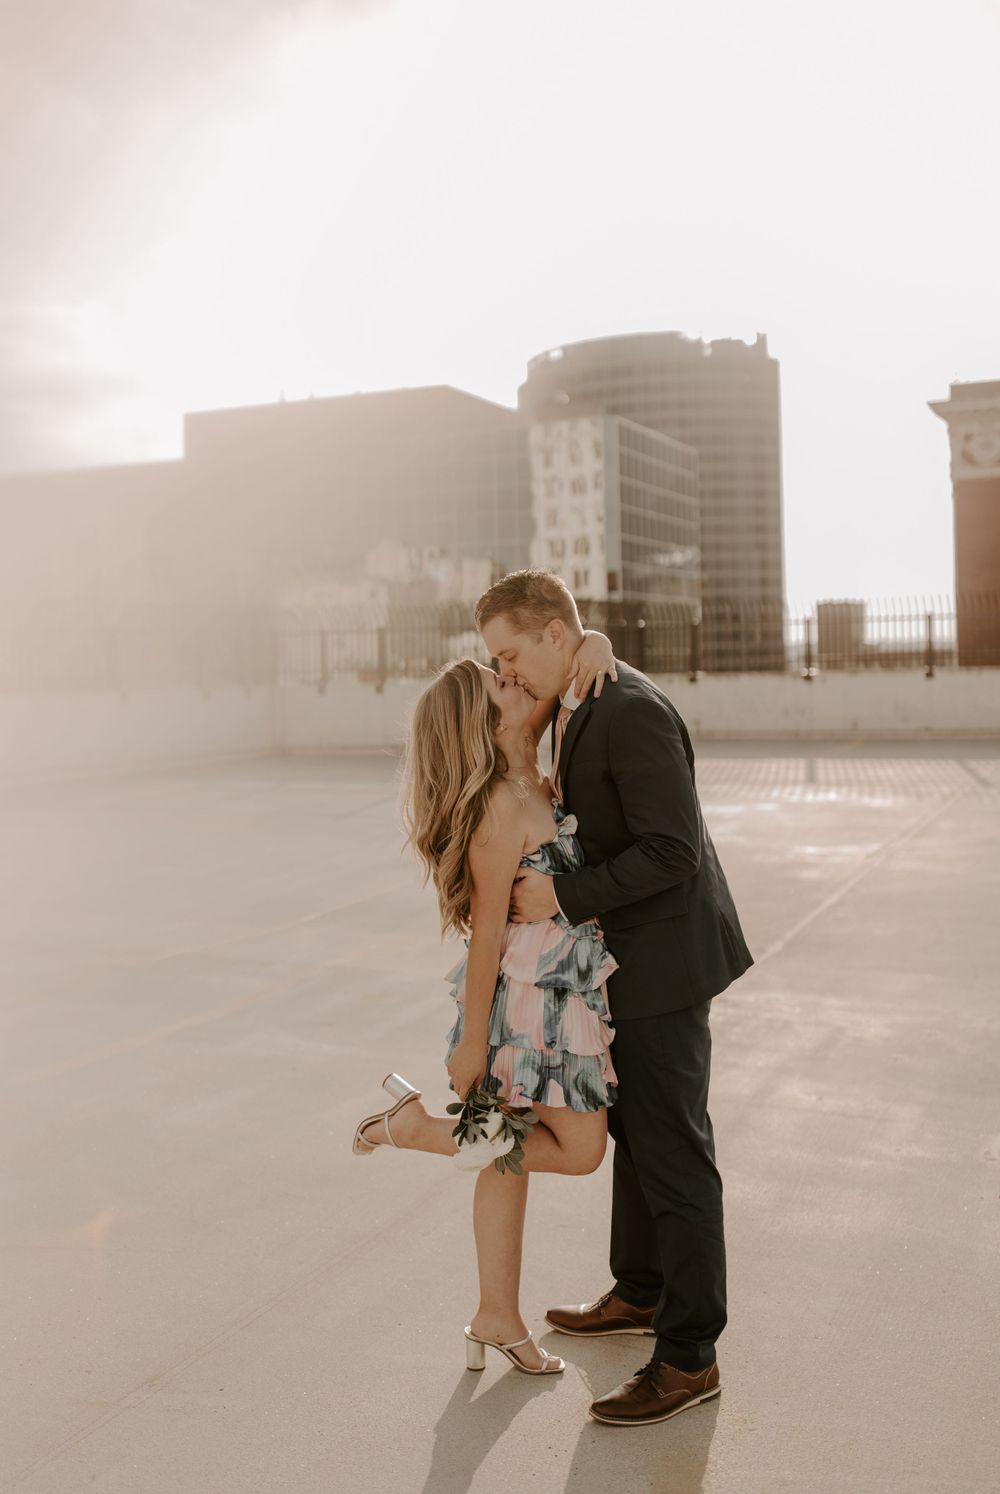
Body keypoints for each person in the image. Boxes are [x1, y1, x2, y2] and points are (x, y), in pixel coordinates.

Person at [476, 569, 753, 1428]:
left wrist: (562, 898)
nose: (506, 671)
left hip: (664, 966)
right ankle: (640, 1290)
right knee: (635, 1140)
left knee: (673, 1154)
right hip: (622, 965)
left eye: (511, 654)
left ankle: (690, 1357)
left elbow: (673, 849)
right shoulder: (577, 687)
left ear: (555, 634)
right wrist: (596, 644)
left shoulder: (626, 709)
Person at [352, 631, 620, 1376]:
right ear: (485, 721)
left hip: (561, 991)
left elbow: (571, 663)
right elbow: (487, 939)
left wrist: (597, 641)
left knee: (510, 1154)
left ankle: (496, 1315)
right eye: (500, 682)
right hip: (530, 1006)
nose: (514, 678)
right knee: (581, 1151)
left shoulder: (532, 769)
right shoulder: (500, 806)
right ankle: (415, 1129)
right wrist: (473, 1040)